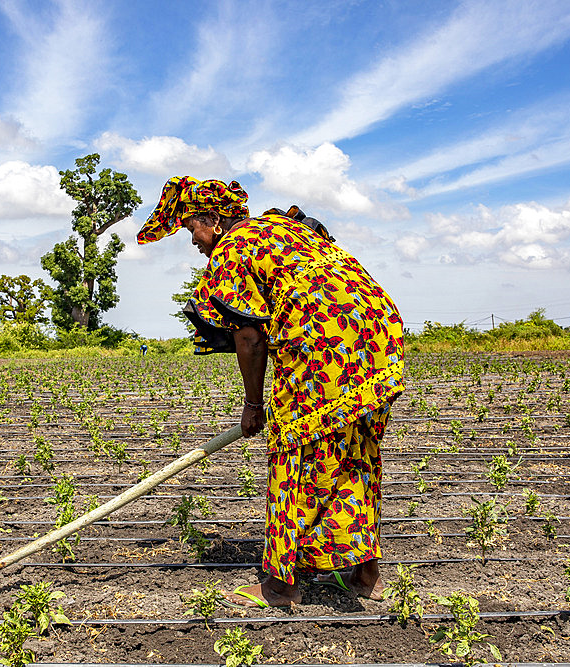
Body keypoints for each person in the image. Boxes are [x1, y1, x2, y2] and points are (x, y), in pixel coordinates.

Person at [137, 176, 405, 607]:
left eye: (192, 230)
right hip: (379, 339)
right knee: (356, 454)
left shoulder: (231, 249)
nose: (194, 242)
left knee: (292, 458)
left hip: (323, 347)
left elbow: (250, 339)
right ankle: (365, 576)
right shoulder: (284, 228)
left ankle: (280, 587)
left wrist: (254, 404)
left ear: (213, 220)